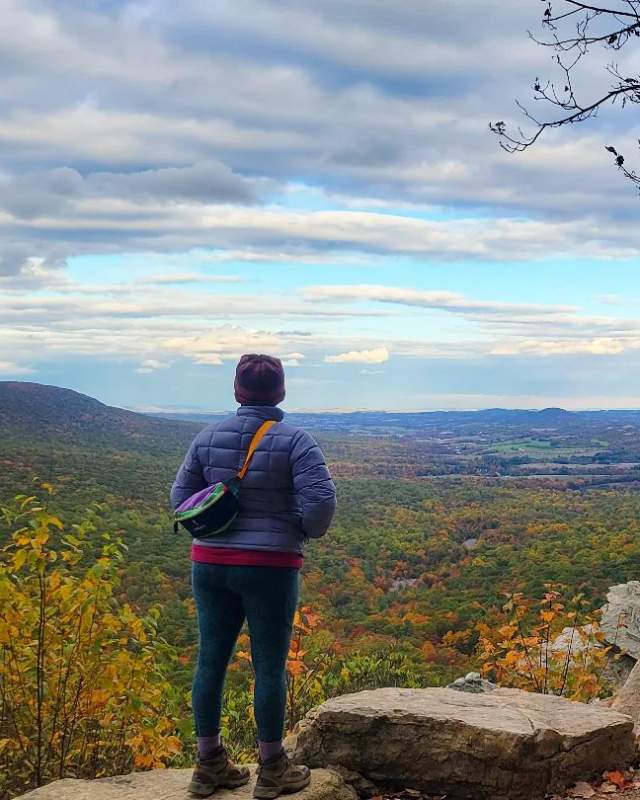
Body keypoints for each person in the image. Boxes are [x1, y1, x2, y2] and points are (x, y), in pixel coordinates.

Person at [170, 354, 336, 799]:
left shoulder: (207, 437)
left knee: (210, 660)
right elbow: (321, 503)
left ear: (237, 391)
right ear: (281, 392)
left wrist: (214, 531)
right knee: (269, 667)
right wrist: (298, 530)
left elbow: (180, 497)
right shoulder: (296, 441)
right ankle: (272, 769)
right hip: (270, 567)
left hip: (209, 564)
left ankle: (208, 766)